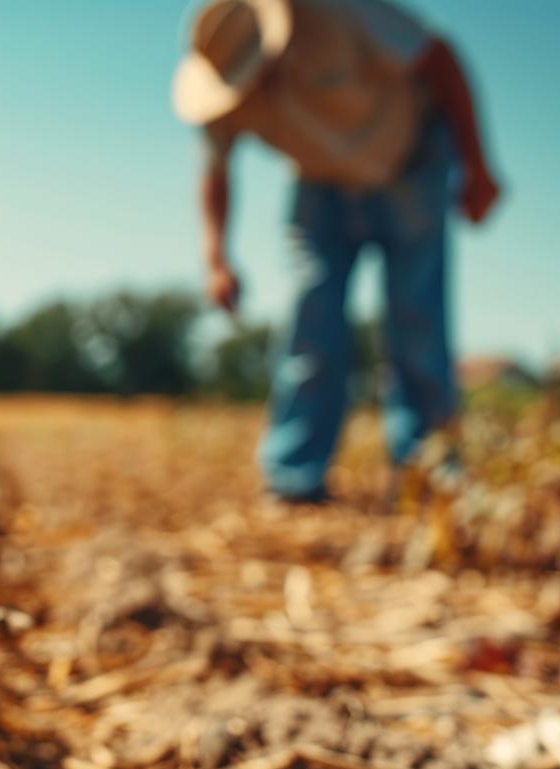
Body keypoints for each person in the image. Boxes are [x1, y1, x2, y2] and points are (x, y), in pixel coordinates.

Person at [173, 0, 501, 502]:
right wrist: (216, 260)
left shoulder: (339, 12)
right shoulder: (227, 96)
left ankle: (427, 477)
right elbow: (213, 174)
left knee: (417, 323)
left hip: (410, 158)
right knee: (312, 322)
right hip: (320, 183)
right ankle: (293, 476)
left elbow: (441, 59)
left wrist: (477, 167)